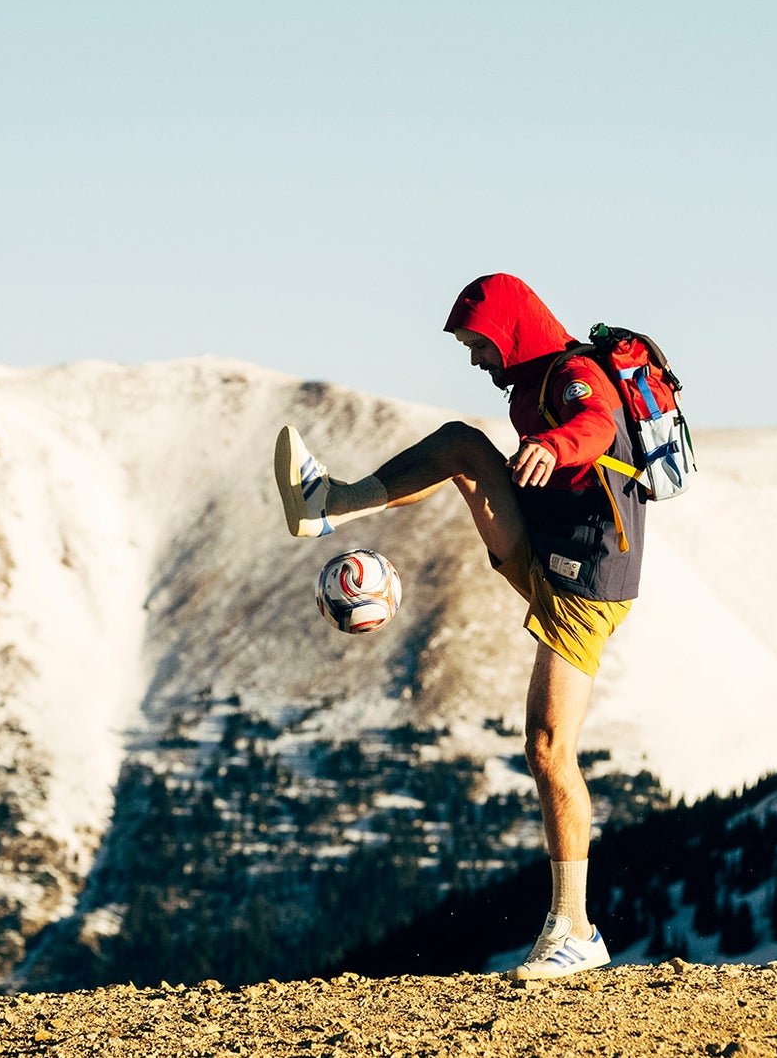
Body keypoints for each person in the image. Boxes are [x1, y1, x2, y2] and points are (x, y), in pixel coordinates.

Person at [273, 273, 646, 979]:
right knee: (460, 446)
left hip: (586, 584)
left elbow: (595, 423)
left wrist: (559, 446)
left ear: (508, 330)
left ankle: (575, 928)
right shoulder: (533, 379)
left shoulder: (572, 375)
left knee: (546, 747)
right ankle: (329, 503)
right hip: (550, 551)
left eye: (477, 343)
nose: (474, 358)